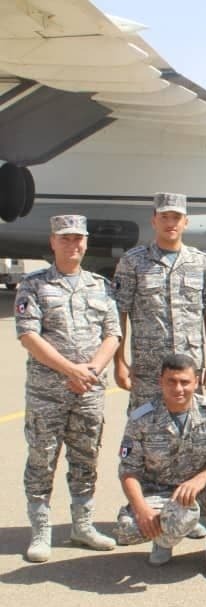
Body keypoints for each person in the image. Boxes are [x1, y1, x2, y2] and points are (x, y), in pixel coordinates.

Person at [15, 214, 121, 562]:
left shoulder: (100, 286)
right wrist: (70, 370)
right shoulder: (33, 285)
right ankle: (41, 530)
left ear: (86, 243)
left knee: (86, 458)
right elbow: (28, 335)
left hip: (88, 391)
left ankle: (82, 525)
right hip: (47, 392)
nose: (72, 244)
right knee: (42, 459)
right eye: (65, 238)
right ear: (53, 242)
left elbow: (113, 334)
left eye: (78, 238)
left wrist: (91, 370)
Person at [114, 354, 206, 579]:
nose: (178, 388)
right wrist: (141, 509)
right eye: (171, 381)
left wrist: (201, 479)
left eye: (184, 382)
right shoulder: (141, 418)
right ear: (160, 381)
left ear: (196, 382)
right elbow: (128, 470)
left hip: (202, 491)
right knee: (128, 530)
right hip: (160, 494)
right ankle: (164, 541)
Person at [113, 192, 206, 410]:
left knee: (189, 425)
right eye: (164, 217)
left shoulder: (202, 264)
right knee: (143, 424)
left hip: (188, 369)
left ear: (186, 222)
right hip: (148, 370)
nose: (170, 223)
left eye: (176, 217)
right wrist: (119, 362)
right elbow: (119, 313)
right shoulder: (133, 262)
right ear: (154, 221)